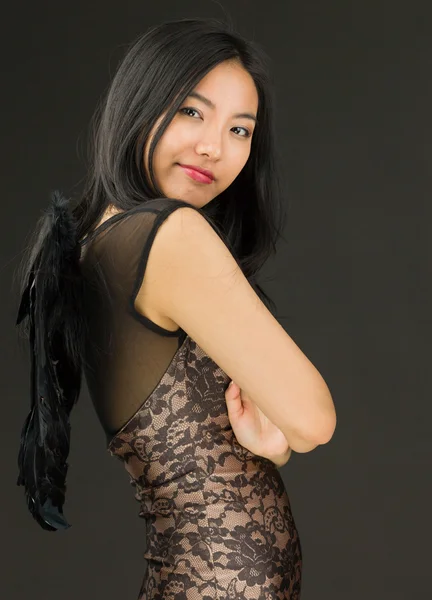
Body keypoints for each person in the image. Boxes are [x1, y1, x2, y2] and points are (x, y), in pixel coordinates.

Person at [15, 16, 336, 599]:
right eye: (191, 111)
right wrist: (289, 436)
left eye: (241, 130)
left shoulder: (96, 240)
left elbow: (218, 437)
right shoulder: (169, 234)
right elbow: (315, 419)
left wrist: (278, 442)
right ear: (140, 103)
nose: (214, 147)